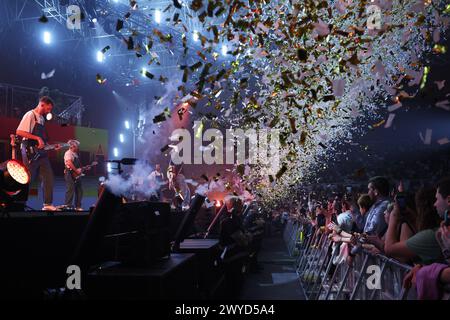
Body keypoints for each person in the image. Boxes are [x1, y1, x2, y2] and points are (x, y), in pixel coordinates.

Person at [384, 177, 450, 265]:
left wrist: (394, 216)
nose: (435, 204)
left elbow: (389, 249)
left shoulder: (434, 235)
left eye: (437, 199)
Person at [16, 96, 60, 211]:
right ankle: (18, 203)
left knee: (48, 177)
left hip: (42, 153)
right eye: (48, 109)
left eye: (50, 110)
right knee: (26, 178)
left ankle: (47, 204)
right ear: (41, 104)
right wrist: (37, 138)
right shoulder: (30, 115)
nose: (49, 111)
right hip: (29, 151)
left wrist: (52, 146)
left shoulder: (42, 119)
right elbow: (19, 131)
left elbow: (42, 141)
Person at [63, 139, 83, 211]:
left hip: (75, 173)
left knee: (79, 189)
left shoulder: (75, 154)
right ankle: (67, 205)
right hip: (70, 173)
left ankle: (78, 206)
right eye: (76, 146)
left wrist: (81, 169)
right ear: (72, 146)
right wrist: (76, 171)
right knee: (70, 189)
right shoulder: (68, 153)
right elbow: (69, 163)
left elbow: (77, 165)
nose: (77, 147)